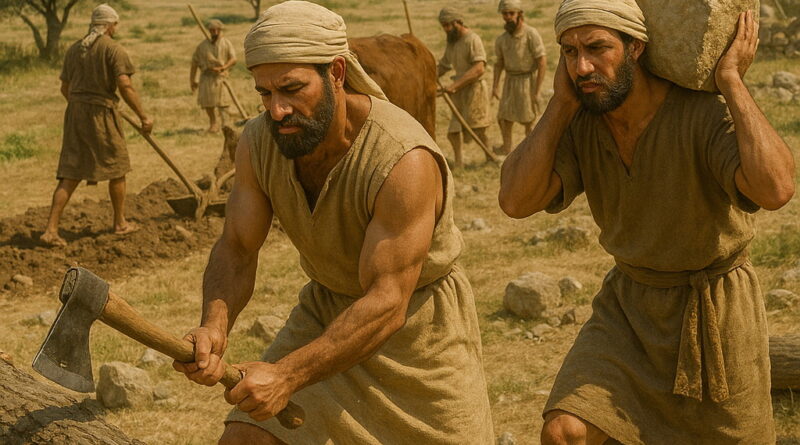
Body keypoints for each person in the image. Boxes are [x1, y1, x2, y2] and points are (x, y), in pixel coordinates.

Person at [172, 2, 494, 444]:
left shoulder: (403, 159)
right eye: (265, 94)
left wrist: (285, 375)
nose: (278, 109)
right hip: (325, 316)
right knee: (246, 439)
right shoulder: (258, 142)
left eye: (291, 89)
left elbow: (387, 302)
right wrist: (214, 324)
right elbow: (237, 247)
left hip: (419, 337)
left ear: (337, 73)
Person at [498, 0, 794, 442]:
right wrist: (560, 104)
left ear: (635, 47)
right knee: (563, 432)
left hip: (714, 307)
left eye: (597, 48)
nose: (582, 66)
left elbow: (776, 189)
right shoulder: (583, 122)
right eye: (570, 52)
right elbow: (515, 201)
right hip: (629, 309)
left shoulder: (700, 114)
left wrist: (731, 82)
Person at [41, 3, 151, 247]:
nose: (116, 29)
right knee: (117, 165)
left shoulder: (73, 50)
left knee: (70, 172)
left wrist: (81, 106)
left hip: (75, 114)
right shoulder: (113, 49)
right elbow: (125, 86)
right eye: (115, 25)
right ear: (110, 26)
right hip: (101, 116)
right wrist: (144, 116)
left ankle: (50, 229)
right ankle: (120, 223)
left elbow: (64, 88)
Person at [437, 7, 492, 168]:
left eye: (448, 25)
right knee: (453, 132)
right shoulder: (452, 42)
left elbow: (479, 68)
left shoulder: (472, 39)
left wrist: (454, 85)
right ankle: (459, 163)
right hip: (458, 93)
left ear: (458, 22)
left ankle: (489, 157)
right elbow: (444, 66)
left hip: (474, 90)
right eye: (443, 26)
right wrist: (429, 75)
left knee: (478, 129)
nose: (446, 29)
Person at [492, 0, 547, 155]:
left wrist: (537, 90)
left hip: (527, 81)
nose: (508, 17)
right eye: (504, 14)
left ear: (519, 14)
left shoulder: (531, 34)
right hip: (509, 82)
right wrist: (495, 86)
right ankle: (507, 149)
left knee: (529, 121)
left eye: (511, 13)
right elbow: (499, 63)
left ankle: (531, 153)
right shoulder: (502, 39)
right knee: (504, 119)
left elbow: (542, 61)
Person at [190, 19, 237, 133]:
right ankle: (213, 124)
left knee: (223, 103)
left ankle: (226, 125)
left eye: (217, 30)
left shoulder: (226, 43)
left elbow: (233, 59)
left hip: (221, 78)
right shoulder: (202, 46)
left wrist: (223, 67)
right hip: (206, 78)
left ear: (220, 30)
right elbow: (194, 63)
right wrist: (192, 80)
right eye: (212, 30)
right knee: (208, 103)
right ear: (209, 31)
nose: (214, 32)